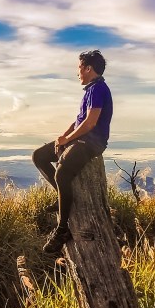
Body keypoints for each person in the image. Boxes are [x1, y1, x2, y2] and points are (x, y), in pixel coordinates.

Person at [32, 49, 113, 253]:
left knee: (62, 173)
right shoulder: (91, 90)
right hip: (81, 139)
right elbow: (79, 120)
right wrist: (63, 137)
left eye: (79, 68)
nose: (78, 73)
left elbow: (90, 123)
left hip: (91, 143)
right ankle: (63, 197)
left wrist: (68, 140)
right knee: (39, 156)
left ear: (88, 68)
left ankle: (62, 230)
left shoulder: (98, 89)